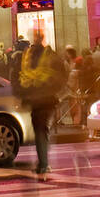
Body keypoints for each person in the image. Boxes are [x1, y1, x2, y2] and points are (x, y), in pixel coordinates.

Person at [17, 31, 65, 179]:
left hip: (37, 100)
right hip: (48, 99)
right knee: (42, 130)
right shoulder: (50, 55)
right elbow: (62, 75)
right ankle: (43, 162)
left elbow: (20, 77)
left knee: (40, 131)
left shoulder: (27, 56)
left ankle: (43, 163)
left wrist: (24, 96)